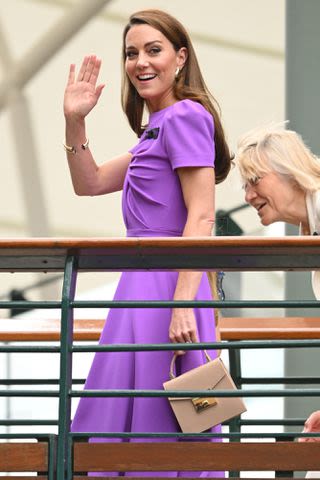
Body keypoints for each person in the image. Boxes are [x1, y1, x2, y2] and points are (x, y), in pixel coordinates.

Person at [63, 8, 232, 478]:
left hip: (170, 287)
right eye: (131, 53)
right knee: (136, 420)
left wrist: (182, 304)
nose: (140, 62)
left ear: (180, 58)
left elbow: (201, 215)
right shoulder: (154, 130)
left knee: (161, 425)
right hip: (141, 289)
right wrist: (74, 121)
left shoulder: (184, 117)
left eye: (153, 50)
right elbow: (90, 182)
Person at [236, 124, 320, 479]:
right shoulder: (310, 230)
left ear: (290, 171)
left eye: (255, 179)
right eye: (245, 184)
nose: (248, 195)